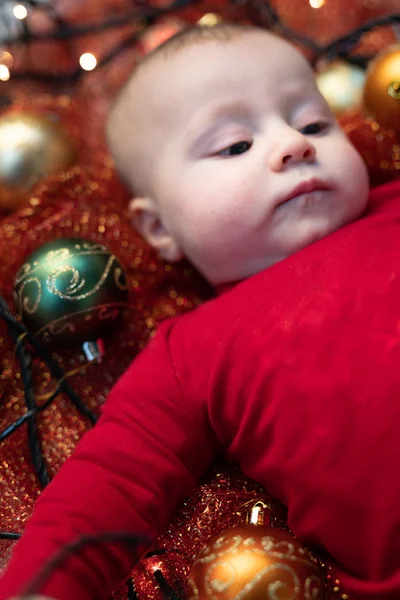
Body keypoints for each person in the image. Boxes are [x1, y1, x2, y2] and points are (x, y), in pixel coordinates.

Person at [1, 22, 400, 600]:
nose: (295, 144)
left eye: (313, 122)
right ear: (159, 227)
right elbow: (106, 487)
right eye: (235, 144)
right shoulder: (187, 353)